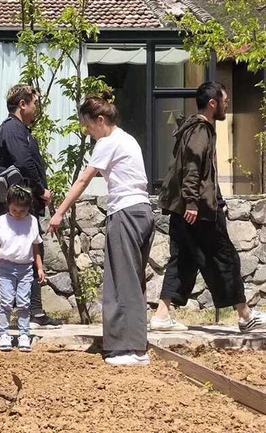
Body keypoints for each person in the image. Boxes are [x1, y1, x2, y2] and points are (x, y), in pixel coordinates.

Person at [49, 93, 154, 367]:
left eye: (88, 127)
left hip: (126, 213)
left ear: (100, 120)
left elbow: (84, 179)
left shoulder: (108, 142)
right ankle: (135, 343)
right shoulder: (128, 139)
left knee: (121, 281)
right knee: (133, 280)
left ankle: (127, 348)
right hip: (143, 211)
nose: (88, 132)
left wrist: (59, 212)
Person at [152, 81, 266, 333]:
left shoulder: (191, 128)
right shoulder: (201, 130)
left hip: (187, 209)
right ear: (213, 103)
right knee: (226, 258)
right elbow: (192, 167)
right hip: (199, 211)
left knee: (182, 260)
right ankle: (245, 315)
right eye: (224, 101)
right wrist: (192, 202)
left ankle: (161, 314)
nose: (227, 105)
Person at [0, 84, 61, 332]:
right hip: (15, 208)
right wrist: (41, 190)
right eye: (34, 102)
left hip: (21, 207)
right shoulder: (13, 131)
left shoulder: (17, 130)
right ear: (23, 104)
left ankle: (36, 312)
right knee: (11, 257)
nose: (37, 108)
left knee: (28, 253)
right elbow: (25, 164)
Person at [0, 186, 45, 352]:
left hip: (26, 269)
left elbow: (36, 247)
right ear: (8, 205)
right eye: (14, 209)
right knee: (6, 302)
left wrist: (40, 268)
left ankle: (24, 334)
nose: (17, 213)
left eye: (22, 210)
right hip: (6, 268)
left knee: (24, 302)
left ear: (28, 208)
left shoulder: (32, 221)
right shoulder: (2, 220)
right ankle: (4, 334)